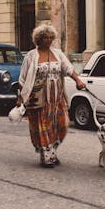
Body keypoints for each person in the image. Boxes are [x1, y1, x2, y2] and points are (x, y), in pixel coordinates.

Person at [17, 25, 86, 168]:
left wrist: (78, 80)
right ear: (39, 39)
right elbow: (22, 79)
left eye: (50, 38)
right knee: (44, 126)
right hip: (38, 96)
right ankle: (47, 156)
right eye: (45, 38)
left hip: (57, 96)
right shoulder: (31, 56)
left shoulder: (58, 53)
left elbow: (68, 68)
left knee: (62, 124)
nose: (48, 40)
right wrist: (20, 98)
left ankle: (52, 150)